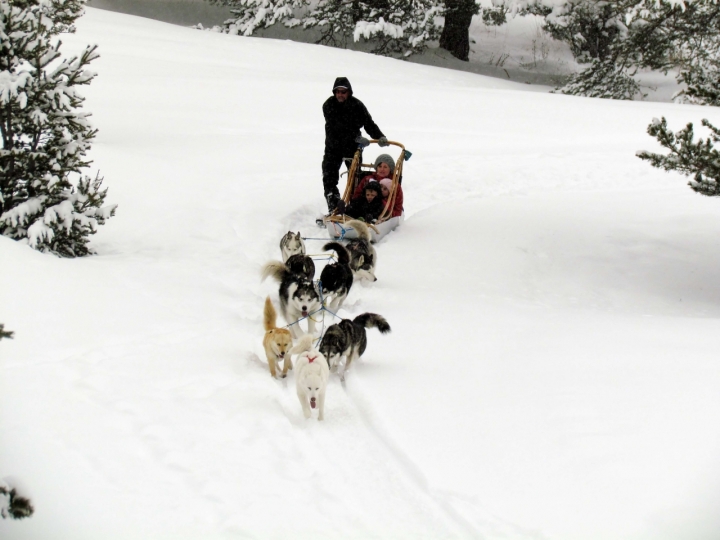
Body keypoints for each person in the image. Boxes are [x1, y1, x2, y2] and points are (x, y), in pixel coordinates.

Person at [322, 77, 389, 214]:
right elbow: (336, 126)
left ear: (349, 92)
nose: (340, 95)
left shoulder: (357, 106)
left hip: (352, 149)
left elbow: (368, 123)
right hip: (333, 148)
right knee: (329, 178)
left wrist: (379, 136)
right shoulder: (328, 105)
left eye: (343, 92)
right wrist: (355, 137)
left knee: (355, 179)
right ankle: (334, 207)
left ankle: (354, 209)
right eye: (338, 92)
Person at [349, 154, 404, 218]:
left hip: (384, 212)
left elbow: (398, 207)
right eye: (380, 166)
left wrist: (392, 215)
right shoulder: (367, 179)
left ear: (390, 169)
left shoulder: (394, 184)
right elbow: (357, 195)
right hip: (364, 209)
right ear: (376, 168)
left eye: (385, 167)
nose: (382, 169)